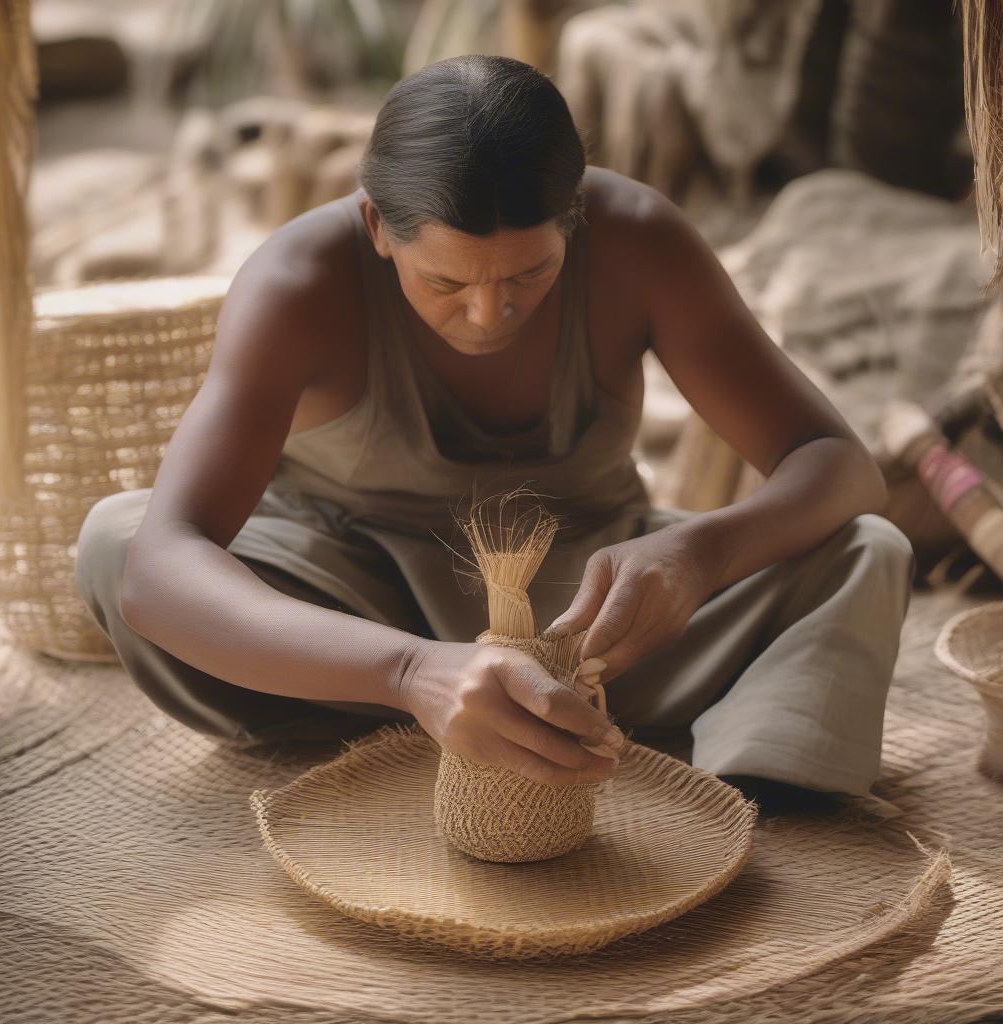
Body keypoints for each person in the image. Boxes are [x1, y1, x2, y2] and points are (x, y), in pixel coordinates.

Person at [75, 54, 914, 815]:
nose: (489, 313)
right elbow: (160, 565)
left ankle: (740, 798)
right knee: (116, 540)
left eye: (531, 273)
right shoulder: (298, 283)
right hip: (354, 604)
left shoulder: (642, 244)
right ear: (376, 226)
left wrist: (701, 557)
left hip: (587, 626)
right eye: (444, 281)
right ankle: (433, 719)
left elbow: (837, 464)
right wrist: (410, 672)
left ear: (575, 215)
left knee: (865, 550)